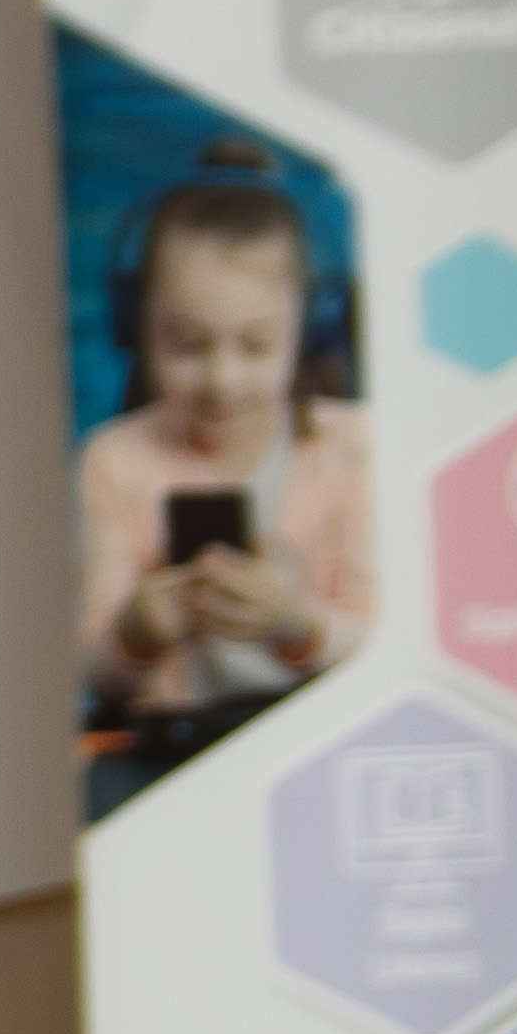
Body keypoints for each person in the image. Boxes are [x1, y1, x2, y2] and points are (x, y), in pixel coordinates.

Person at [77, 144, 370, 722]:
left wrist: (297, 623)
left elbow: (392, 647)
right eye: (187, 345)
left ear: (309, 331)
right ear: (136, 328)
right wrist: (135, 633)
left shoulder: (356, 449)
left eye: (255, 346)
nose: (221, 379)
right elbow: (95, 676)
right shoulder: (112, 462)